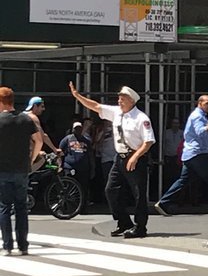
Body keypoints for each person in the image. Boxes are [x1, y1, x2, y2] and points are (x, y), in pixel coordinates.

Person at [68, 82, 155, 239]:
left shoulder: (141, 118)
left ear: (131, 100)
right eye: (119, 98)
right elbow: (96, 106)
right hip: (119, 157)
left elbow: (148, 141)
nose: (119, 101)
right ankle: (124, 222)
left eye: (122, 99)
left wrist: (135, 157)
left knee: (139, 194)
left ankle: (140, 227)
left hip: (136, 157)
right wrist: (78, 96)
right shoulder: (117, 113)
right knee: (111, 190)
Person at [156, 94, 208, 216]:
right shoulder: (198, 116)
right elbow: (200, 131)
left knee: (184, 180)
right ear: (200, 103)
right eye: (207, 103)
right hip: (198, 153)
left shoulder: (199, 116)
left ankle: (163, 202)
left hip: (190, 154)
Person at [0, 87, 40, 256]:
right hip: (22, 168)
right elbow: (38, 140)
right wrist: (32, 158)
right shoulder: (25, 119)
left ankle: (8, 244)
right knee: (21, 208)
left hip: (2, 169)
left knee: (4, 207)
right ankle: (23, 245)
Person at [23, 95, 62, 169]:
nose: (43, 109)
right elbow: (41, 137)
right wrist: (55, 150)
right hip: (26, 151)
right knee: (41, 160)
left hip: (16, 150)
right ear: (35, 106)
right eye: (42, 106)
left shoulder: (22, 115)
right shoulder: (33, 117)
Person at [59, 121, 92, 185]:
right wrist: (60, 165)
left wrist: (92, 168)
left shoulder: (86, 141)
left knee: (83, 187)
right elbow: (60, 151)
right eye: (76, 128)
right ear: (73, 129)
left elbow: (90, 155)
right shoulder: (67, 139)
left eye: (79, 128)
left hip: (83, 169)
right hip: (70, 167)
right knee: (69, 186)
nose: (78, 130)